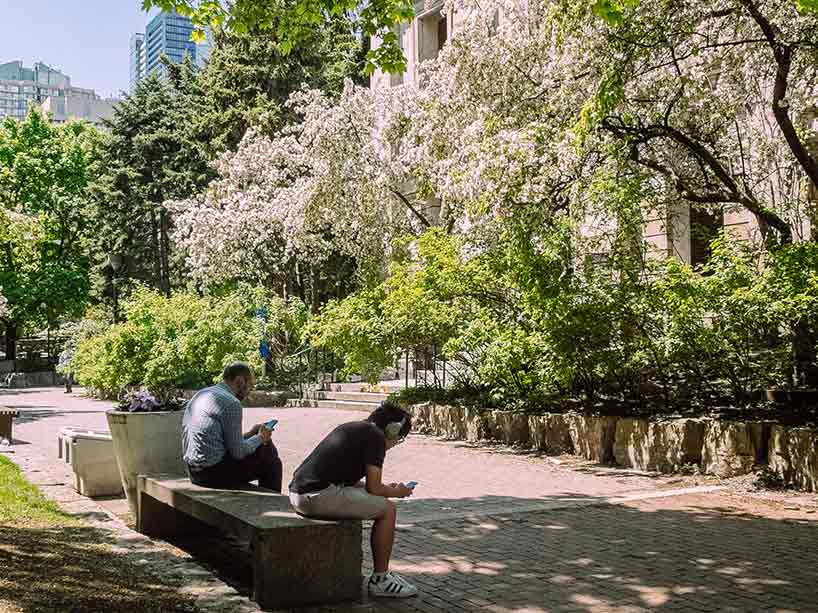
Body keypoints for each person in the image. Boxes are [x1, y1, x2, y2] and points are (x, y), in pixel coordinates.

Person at [289, 400, 418, 598]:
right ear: (393, 430)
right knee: (388, 510)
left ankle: (382, 577)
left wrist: (387, 488)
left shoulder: (357, 428)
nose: (395, 445)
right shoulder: (375, 438)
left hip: (302, 493)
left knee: (379, 500)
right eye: (399, 439)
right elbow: (374, 487)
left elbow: (355, 483)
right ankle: (380, 579)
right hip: (316, 496)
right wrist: (397, 492)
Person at [182, 362, 282, 491]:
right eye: (249, 386)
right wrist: (261, 438)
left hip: (193, 471)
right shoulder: (231, 402)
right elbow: (238, 452)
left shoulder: (203, 393)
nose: (249, 392)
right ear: (240, 381)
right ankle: (273, 503)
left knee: (262, 446)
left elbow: (223, 442)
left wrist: (251, 433)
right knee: (270, 458)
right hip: (211, 475)